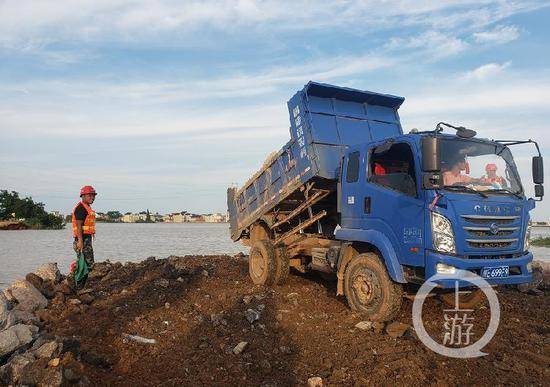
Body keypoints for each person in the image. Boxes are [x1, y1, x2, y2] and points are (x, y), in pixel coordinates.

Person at [71, 185, 97, 287]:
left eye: (93, 196)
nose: (92, 197)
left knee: (86, 263)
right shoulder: (81, 208)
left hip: (86, 239)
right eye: (90, 195)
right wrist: (80, 242)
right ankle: (79, 286)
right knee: (86, 264)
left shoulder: (87, 208)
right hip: (81, 240)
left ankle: (80, 285)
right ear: (83, 196)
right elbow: (79, 226)